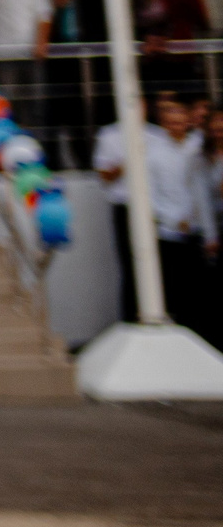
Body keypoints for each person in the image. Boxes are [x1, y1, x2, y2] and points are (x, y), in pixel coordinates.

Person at [97, 94, 217, 342]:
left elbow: (201, 192)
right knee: (172, 288)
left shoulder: (197, 148)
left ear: (188, 121)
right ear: (164, 123)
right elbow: (148, 193)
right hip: (167, 231)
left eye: (180, 120)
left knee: (201, 290)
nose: (176, 125)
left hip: (197, 229)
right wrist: (172, 219)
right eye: (170, 121)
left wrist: (206, 228)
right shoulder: (152, 152)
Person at [42, 0, 110, 170]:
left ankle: (94, 159)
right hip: (63, 58)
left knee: (94, 109)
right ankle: (75, 160)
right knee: (67, 111)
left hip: (91, 57)